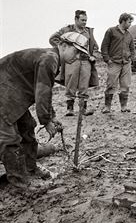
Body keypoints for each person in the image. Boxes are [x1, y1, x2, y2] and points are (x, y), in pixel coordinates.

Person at [0, 32, 86, 189]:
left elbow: (43, 90)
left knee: (27, 128)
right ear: (64, 46)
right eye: (77, 51)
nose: (78, 57)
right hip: (4, 93)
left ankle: (30, 169)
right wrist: (46, 121)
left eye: (82, 54)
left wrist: (51, 116)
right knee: (9, 139)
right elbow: (42, 93)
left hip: (12, 93)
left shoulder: (51, 58)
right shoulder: (49, 59)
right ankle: (19, 182)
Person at [49, 10, 100, 116]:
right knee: (70, 85)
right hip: (71, 62)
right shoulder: (67, 30)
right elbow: (53, 39)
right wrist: (64, 48)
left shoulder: (88, 32)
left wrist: (93, 56)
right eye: (82, 20)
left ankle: (83, 109)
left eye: (86, 20)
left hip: (85, 62)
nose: (84, 22)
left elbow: (95, 46)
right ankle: (70, 109)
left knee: (84, 85)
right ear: (76, 19)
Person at [101, 13, 135, 113]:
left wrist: (131, 58)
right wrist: (107, 59)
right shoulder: (111, 31)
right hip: (114, 62)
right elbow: (104, 46)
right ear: (123, 21)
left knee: (125, 85)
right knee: (111, 84)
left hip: (126, 63)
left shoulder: (129, 34)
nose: (130, 24)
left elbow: (132, 48)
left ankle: (123, 107)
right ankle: (107, 107)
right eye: (129, 22)